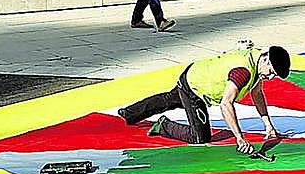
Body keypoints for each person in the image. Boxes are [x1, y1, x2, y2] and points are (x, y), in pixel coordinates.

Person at [118, 43, 290, 154]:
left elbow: (257, 94)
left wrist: (268, 126)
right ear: (266, 61)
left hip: (197, 73)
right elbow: (226, 104)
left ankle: (130, 113)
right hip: (195, 87)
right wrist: (239, 137)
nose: (270, 77)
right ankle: (163, 126)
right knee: (199, 137)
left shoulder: (256, 63)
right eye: (272, 73)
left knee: (170, 99)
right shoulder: (243, 71)